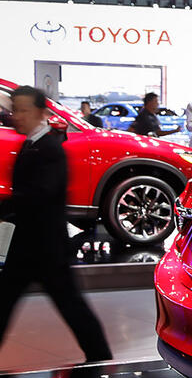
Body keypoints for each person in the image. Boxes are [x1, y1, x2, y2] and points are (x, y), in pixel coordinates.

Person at [0, 86, 111, 363]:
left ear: (40, 113)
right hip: (28, 246)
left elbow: (41, 195)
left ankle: (101, 358)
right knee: (4, 303)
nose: (18, 116)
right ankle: (100, 356)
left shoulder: (50, 149)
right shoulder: (31, 145)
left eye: (24, 110)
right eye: (15, 110)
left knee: (71, 307)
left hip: (47, 249)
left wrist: (7, 206)